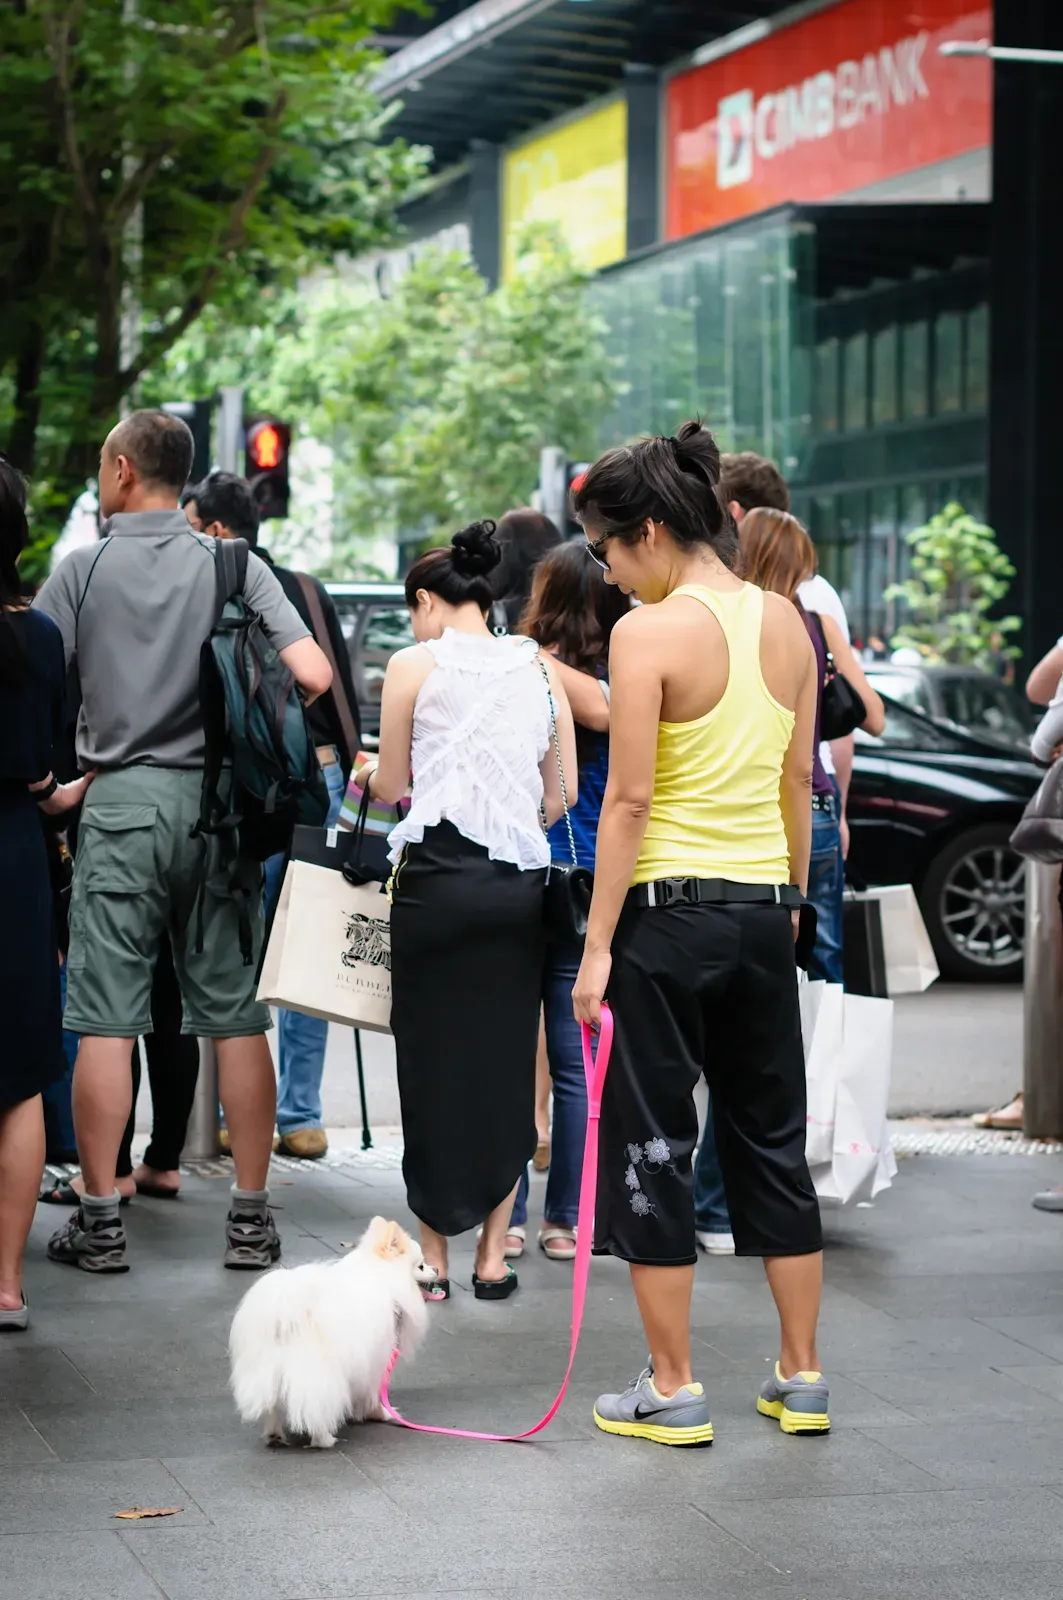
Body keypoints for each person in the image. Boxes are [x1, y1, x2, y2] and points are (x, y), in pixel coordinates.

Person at [570, 420, 827, 1447]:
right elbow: (796, 780)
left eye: (606, 549)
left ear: (648, 533)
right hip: (764, 909)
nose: (607, 570)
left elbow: (627, 803)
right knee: (771, 1139)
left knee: (654, 1141)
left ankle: (671, 1387)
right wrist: (792, 899)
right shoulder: (786, 624)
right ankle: (800, 1372)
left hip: (666, 921)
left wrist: (594, 950)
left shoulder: (648, 633)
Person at [33, 409, 332, 1273]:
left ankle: (99, 1218)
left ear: (124, 470)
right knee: (235, 1017)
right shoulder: (233, 562)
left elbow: (40, 675)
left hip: (120, 806)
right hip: (217, 812)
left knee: (104, 1020)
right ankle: (248, 1219)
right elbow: (311, 673)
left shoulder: (81, 573)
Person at [356, 520, 576, 1301]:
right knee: (506, 1068)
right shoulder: (539, 672)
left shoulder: (413, 664)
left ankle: (434, 1261)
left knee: (430, 1066)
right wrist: (512, 824)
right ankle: (492, 1258)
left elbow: (389, 787)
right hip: (514, 893)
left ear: (428, 600)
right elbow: (564, 796)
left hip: (434, 890)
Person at [183, 471, 360, 1160]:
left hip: (243, 794)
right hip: (315, 785)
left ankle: (235, 1118)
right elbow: (336, 690)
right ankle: (299, 1114)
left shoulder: (219, 584)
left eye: (194, 523)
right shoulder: (308, 590)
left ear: (221, 532)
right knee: (309, 948)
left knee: (244, 948)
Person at [505, 542, 629, 1262]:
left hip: (522, 874)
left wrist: (518, 653)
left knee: (510, 1056)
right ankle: (564, 1221)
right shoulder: (623, 672)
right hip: (588, 888)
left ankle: (509, 1220)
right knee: (576, 1065)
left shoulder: (517, 670)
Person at [0, 457, 94, 1327]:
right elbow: (53, 772)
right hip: (16, 860)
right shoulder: (39, 640)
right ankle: (9, 1286)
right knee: (22, 1078)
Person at [740, 507, 885, 984]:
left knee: (757, 970)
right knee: (825, 965)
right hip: (818, 807)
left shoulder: (734, 624)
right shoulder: (818, 624)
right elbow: (874, 717)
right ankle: (825, 1060)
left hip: (754, 808)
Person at [489, 509, 566, 1165]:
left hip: (514, 829)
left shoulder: (508, 641)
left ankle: (528, 1120)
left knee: (524, 990)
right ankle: (542, 1124)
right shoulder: (582, 630)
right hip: (568, 822)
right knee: (557, 996)